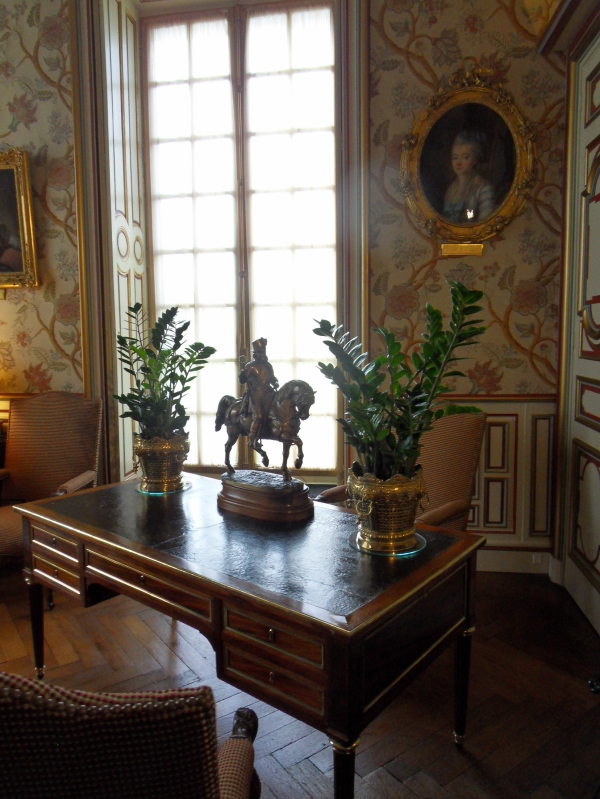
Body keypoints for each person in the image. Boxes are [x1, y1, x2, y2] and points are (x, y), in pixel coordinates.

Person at [443, 131, 495, 224]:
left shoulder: (483, 188)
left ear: (475, 160)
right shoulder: (451, 190)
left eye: (465, 157)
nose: (458, 163)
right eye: (455, 158)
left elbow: (486, 223)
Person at [238, 338, 279, 450]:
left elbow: (272, 378)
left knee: (277, 411)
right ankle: (252, 438)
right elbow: (242, 380)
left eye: (263, 352)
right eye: (259, 352)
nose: (261, 354)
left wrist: (275, 383)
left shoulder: (268, 366)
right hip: (255, 395)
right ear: (255, 353)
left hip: (268, 393)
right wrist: (242, 374)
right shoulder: (250, 366)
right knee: (258, 416)